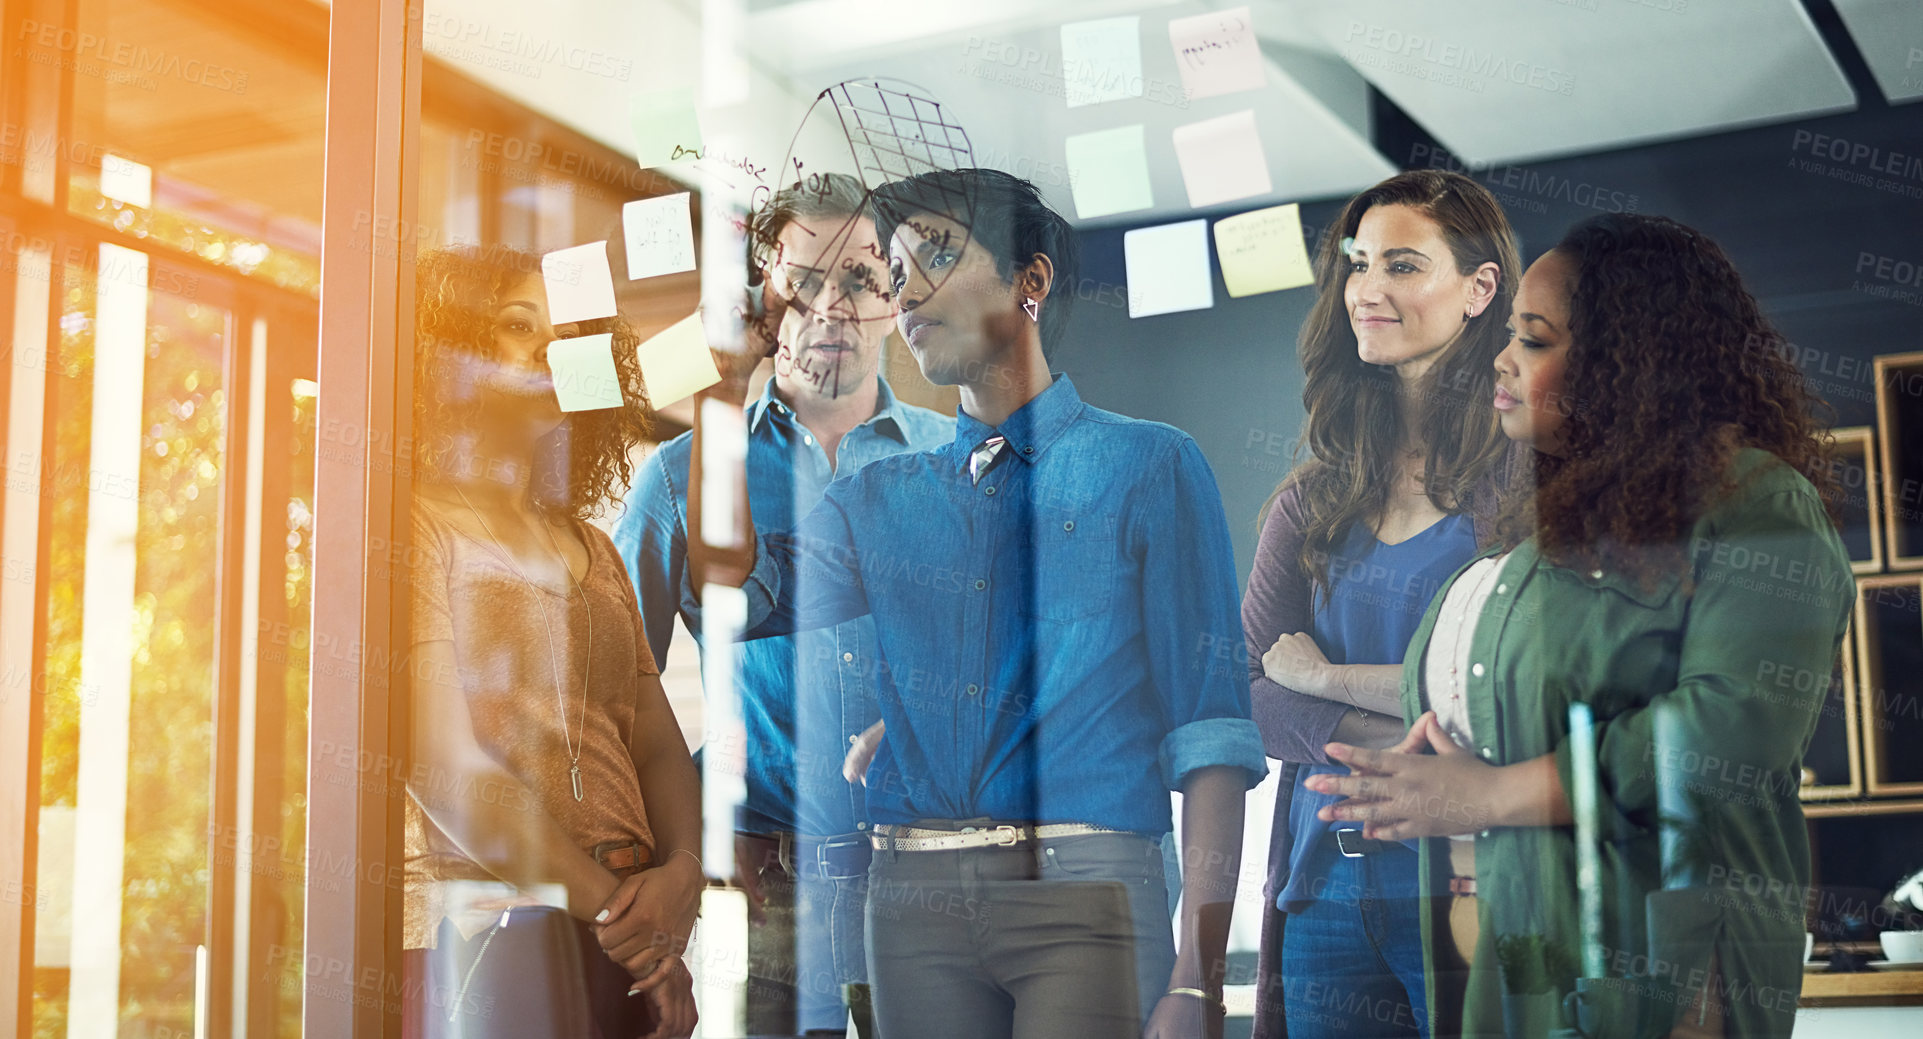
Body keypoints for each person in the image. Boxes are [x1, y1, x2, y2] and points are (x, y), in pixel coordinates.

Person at [691, 168, 1265, 1039]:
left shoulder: (1146, 465)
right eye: (895, 265)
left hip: (1086, 888)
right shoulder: (877, 495)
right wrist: (727, 392)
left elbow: (1211, 737)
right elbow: (734, 588)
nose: (906, 286)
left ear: (1029, 281)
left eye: (939, 254)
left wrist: (1199, 979)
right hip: (910, 898)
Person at [1309, 214, 1852, 1038]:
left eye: (1531, 340)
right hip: (1520, 960)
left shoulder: (1754, 499)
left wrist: (1491, 792)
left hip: (1656, 971)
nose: (1499, 358)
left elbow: (1731, 730)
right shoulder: (1536, 537)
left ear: (1629, 365)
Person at [612, 173, 953, 1038]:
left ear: (896, 294)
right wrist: (676, 853)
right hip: (754, 889)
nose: (829, 306)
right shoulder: (677, 478)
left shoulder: (957, 465)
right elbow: (612, 693)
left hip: (928, 881)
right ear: (765, 292)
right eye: (802, 280)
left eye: (859, 278)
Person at [1244, 170, 1522, 1038]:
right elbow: (1247, 693)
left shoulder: (1528, 483)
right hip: (1323, 893)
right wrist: (1409, 745)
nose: (1367, 289)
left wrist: (1325, 676)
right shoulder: (1308, 497)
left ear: (1480, 289)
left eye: (1402, 265)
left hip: (1476, 886)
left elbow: (1507, 691)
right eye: (1358, 264)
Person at [402, 246, 703, 1039]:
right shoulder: (411, 526)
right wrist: (624, 918)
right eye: (514, 324)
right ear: (447, 353)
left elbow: (656, 744)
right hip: (498, 918)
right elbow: (442, 766)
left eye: (570, 334)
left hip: (628, 924)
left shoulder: (595, 548)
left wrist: (679, 880)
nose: (547, 347)